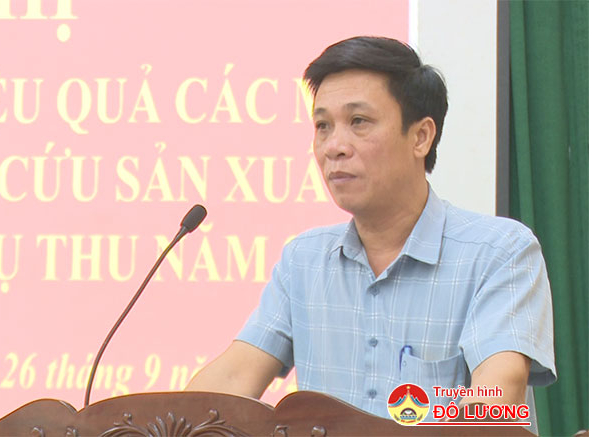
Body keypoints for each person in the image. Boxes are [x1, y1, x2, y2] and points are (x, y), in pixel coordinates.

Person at [185, 36, 556, 430]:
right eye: (323, 126)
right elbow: (231, 380)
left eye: (358, 122)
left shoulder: (499, 252)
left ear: (421, 137)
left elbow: (496, 401)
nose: (334, 147)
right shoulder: (304, 261)